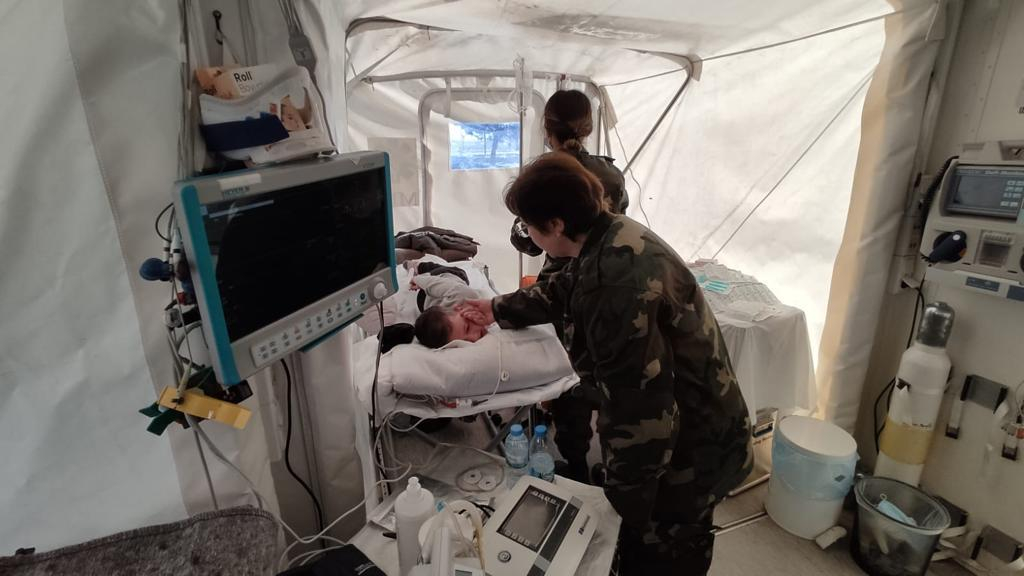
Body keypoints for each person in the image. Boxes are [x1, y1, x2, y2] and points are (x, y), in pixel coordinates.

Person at [465, 153, 752, 575]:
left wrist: (625, 501)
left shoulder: (614, 286)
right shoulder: (610, 234)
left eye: (529, 225)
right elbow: (564, 289)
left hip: (691, 449)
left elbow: (640, 411)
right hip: (688, 426)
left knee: (661, 555)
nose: (527, 234)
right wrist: (496, 308)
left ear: (556, 225)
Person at [510, 89, 628, 484]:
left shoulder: (547, 172)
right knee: (604, 372)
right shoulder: (610, 174)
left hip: (560, 289)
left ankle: (575, 466)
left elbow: (530, 241)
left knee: (567, 379)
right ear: (588, 126)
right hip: (603, 282)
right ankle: (605, 467)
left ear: (547, 129)